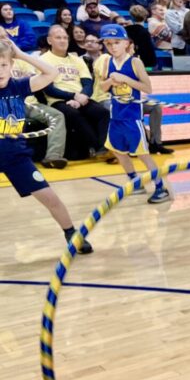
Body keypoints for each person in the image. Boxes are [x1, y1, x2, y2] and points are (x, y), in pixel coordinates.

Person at [0, 33, 92, 253]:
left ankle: (71, 233)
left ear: (11, 65)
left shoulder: (19, 86)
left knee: (50, 197)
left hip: (15, 155)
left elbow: (52, 73)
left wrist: (21, 54)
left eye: (3, 65)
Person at [94, 24, 170, 204]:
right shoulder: (106, 62)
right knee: (118, 151)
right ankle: (135, 182)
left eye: (116, 42)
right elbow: (102, 88)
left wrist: (126, 79)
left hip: (132, 117)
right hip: (116, 116)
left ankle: (161, 188)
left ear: (126, 42)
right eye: (108, 43)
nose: (112, 47)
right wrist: (110, 81)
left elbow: (147, 88)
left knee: (142, 154)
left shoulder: (135, 62)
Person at [41, 24, 110, 160]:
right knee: (74, 114)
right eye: (58, 38)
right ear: (49, 40)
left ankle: (104, 149)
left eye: (65, 38)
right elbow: (48, 89)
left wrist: (81, 97)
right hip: (58, 100)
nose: (63, 41)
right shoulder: (43, 60)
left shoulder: (77, 60)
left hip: (80, 98)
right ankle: (98, 147)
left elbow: (88, 83)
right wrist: (73, 96)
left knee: (103, 113)